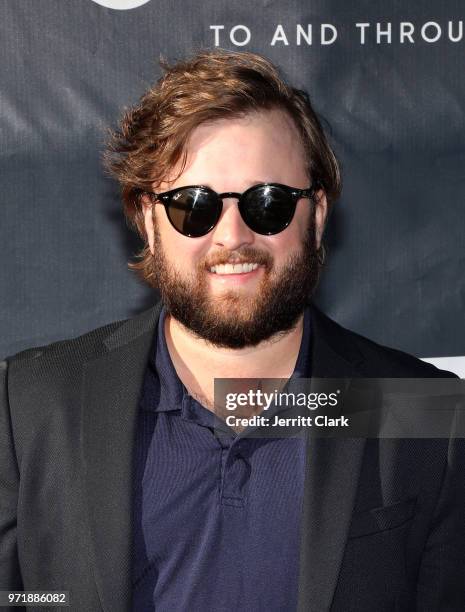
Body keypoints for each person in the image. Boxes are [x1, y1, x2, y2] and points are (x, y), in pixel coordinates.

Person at [0, 49, 463, 612]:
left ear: (316, 214)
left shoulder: (422, 413)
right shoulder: (32, 406)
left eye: (267, 203)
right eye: (193, 206)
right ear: (148, 219)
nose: (232, 236)